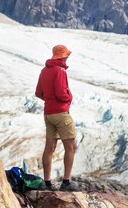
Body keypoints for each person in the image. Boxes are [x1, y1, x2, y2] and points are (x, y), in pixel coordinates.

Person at [35, 44, 78, 191]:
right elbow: (61, 94)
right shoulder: (60, 71)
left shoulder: (44, 71)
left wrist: (50, 100)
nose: (68, 57)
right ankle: (66, 183)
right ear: (63, 56)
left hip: (48, 113)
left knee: (50, 147)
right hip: (61, 113)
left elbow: (38, 93)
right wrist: (69, 97)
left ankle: (46, 183)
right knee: (71, 146)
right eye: (67, 55)